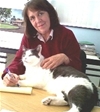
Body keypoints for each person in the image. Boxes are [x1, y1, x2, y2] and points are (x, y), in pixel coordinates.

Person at [1, 0, 82, 86]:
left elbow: (78, 67)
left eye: (40, 14)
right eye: (32, 18)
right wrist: (8, 74)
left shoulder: (66, 35)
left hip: (59, 86)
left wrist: (65, 58)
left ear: (50, 13)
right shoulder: (29, 37)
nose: (38, 20)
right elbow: (18, 61)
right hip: (35, 87)